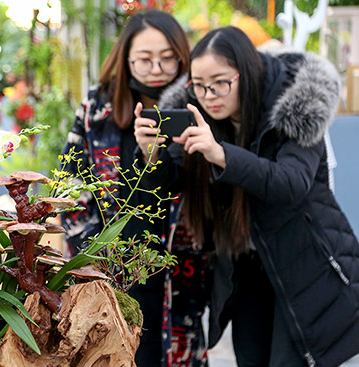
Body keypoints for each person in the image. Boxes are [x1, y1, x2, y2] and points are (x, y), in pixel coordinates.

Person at [135, 25, 359, 366]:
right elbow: (167, 191)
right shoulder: (197, 113)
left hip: (305, 262)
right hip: (243, 268)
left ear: (247, 73)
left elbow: (292, 183)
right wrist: (151, 155)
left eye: (221, 83)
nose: (210, 95)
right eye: (200, 85)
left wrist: (221, 154)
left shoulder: (296, 105)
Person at [60, 10, 209, 367]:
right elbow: (70, 183)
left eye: (167, 58)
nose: (156, 69)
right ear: (125, 59)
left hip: (178, 265)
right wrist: (91, 251)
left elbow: (204, 181)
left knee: (174, 356)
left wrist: (154, 154)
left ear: (182, 57)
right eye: (144, 59)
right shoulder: (98, 107)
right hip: (110, 268)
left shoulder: (197, 104)